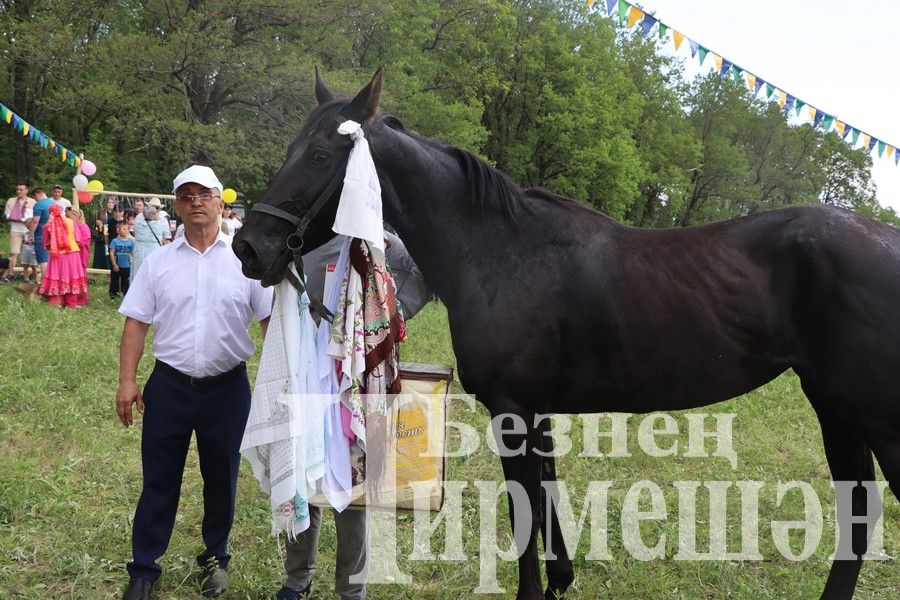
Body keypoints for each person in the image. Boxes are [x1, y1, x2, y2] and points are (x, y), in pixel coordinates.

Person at [115, 165, 273, 600]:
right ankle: (144, 567)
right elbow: (136, 324)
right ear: (177, 207)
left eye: (204, 194)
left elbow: (270, 323)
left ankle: (215, 558)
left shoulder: (247, 264)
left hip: (227, 389)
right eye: (186, 196)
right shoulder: (158, 263)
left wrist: (280, 385)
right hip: (169, 388)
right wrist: (127, 382)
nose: (196, 202)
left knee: (221, 476)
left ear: (222, 202)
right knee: (159, 478)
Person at [274, 230, 432, 600]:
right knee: (304, 477)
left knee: (353, 480)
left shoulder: (380, 241)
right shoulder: (303, 241)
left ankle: (351, 589)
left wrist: (388, 319)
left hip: (358, 378)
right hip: (307, 372)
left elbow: (424, 273)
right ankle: (297, 579)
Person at [38, 204, 87, 307]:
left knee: (57, 276)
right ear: (62, 212)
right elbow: (77, 237)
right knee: (72, 277)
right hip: (72, 252)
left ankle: (55, 302)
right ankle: (71, 303)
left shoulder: (49, 224)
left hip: (57, 254)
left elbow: (45, 241)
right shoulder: (71, 222)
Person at [3, 183, 35, 282]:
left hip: (28, 232)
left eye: (21, 190)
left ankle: (27, 275)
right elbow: (8, 216)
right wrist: (23, 219)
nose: (18, 191)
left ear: (26, 191)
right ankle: (11, 275)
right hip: (16, 230)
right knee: (14, 254)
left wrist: (24, 220)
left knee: (30, 254)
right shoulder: (11, 201)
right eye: (17, 189)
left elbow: (35, 217)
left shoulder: (33, 202)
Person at [131, 205, 168, 276]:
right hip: (154, 250)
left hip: (139, 250)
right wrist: (158, 218)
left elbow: (139, 217)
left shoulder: (138, 222)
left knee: (138, 273)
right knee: (153, 273)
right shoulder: (160, 224)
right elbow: (166, 234)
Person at [31, 188, 55, 282]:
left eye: (34, 197)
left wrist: (30, 235)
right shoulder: (53, 204)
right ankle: (52, 281)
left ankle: (45, 283)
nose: (35, 200)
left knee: (43, 260)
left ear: (38, 193)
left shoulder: (39, 205)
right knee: (50, 260)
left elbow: (35, 221)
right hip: (53, 236)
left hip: (41, 236)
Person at [71, 207, 92, 306]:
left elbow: (83, 242)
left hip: (80, 255)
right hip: (72, 255)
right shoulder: (71, 225)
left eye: (74, 214)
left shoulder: (84, 227)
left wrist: (72, 241)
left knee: (80, 277)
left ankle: (81, 299)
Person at [109, 221, 134, 299]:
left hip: (127, 265)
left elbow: (133, 253)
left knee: (126, 281)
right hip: (117, 264)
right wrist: (114, 264)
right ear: (118, 230)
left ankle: (125, 295)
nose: (126, 231)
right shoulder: (115, 241)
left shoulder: (131, 242)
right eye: (123, 229)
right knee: (114, 280)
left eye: (127, 229)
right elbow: (111, 253)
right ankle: (113, 295)